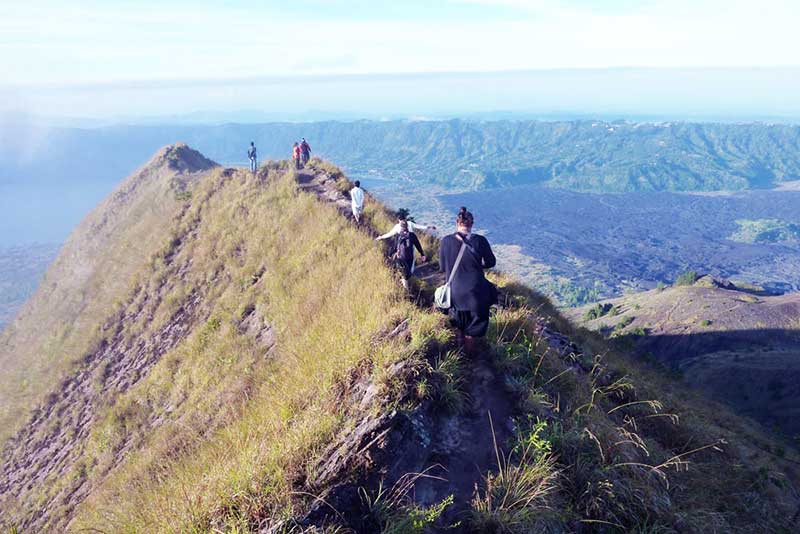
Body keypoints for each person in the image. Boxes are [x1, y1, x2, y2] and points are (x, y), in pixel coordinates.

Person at [438, 206, 496, 354]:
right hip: (476, 291)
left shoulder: (446, 241)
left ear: (457, 222)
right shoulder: (480, 241)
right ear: (472, 223)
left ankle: (458, 354)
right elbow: (491, 262)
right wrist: (477, 265)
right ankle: (470, 356)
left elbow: (442, 267)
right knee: (474, 325)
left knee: (459, 322)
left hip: (455, 290)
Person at [394, 220, 426, 290]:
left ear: (401, 227)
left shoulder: (398, 236)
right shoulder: (412, 235)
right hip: (410, 257)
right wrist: (422, 254)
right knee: (408, 273)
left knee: (404, 273)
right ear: (407, 226)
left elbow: (395, 247)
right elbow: (418, 245)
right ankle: (406, 288)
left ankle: (405, 287)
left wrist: (393, 255)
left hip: (401, 257)